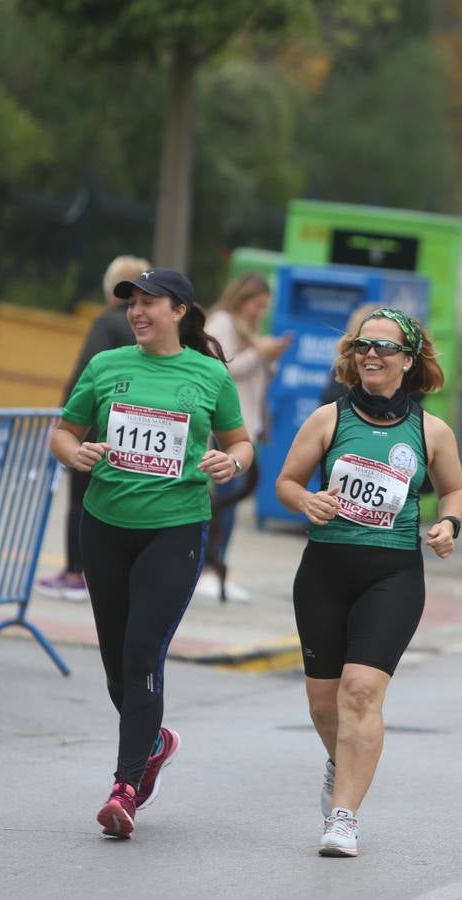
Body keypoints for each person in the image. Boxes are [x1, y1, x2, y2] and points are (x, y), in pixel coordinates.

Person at [50, 267, 253, 839]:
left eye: (149, 303)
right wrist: (75, 452)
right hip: (105, 528)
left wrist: (231, 461)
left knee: (142, 653)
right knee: (118, 665)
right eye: (132, 303)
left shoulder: (210, 374)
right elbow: (63, 430)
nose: (137, 312)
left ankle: (126, 787)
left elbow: (240, 441)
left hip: (176, 529)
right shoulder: (106, 366)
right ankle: (156, 743)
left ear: (179, 310)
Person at [276, 308, 462, 858]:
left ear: (408, 361)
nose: (372, 355)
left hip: (392, 574)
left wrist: (449, 524)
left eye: (385, 348)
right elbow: (288, 481)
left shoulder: (431, 431)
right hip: (324, 573)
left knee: (361, 691)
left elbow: (454, 491)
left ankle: (344, 816)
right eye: (363, 346)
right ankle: (342, 758)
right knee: (323, 703)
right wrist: (305, 499)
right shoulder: (327, 420)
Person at [38, 255, 151, 601]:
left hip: (97, 429)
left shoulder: (107, 322)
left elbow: (86, 377)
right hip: (138, 430)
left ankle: (75, 571)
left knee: (81, 498)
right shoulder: (149, 328)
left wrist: (67, 424)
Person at [196, 272, 291, 602]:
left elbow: (253, 375)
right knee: (222, 503)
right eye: (256, 304)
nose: (259, 312)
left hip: (247, 428)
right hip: (224, 430)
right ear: (241, 298)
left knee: (232, 504)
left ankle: (218, 567)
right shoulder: (222, 322)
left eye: (264, 307)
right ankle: (207, 569)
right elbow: (218, 369)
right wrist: (259, 353)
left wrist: (267, 356)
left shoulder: (246, 327)